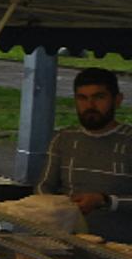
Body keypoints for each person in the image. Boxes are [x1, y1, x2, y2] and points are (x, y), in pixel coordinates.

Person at [37, 67, 132, 242]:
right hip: (65, 243)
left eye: (99, 97)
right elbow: (43, 187)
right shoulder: (63, 139)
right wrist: (58, 206)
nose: (90, 106)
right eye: (82, 98)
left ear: (117, 100)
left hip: (120, 251)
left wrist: (106, 201)